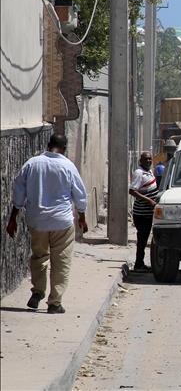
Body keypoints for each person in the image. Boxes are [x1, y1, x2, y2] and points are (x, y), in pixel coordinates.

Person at [6, 134, 88, 314]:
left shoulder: (32, 163)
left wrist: (13, 218)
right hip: (62, 222)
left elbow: (18, 192)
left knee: (39, 256)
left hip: (37, 220)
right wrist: (82, 216)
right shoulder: (68, 166)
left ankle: (37, 291)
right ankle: (55, 302)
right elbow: (80, 195)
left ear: (48, 145)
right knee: (61, 261)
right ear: (64, 148)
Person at [129, 152, 159, 272]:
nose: (148, 161)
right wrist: (149, 200)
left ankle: (140, 263)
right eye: (146, 159)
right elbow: (132, 191)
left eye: (150, 159)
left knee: (145, 238)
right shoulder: (139, 173)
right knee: (142, 239)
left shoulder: (149, 171)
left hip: (149, 213)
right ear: (140, 161)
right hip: (141, 213)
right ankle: (138, 264)